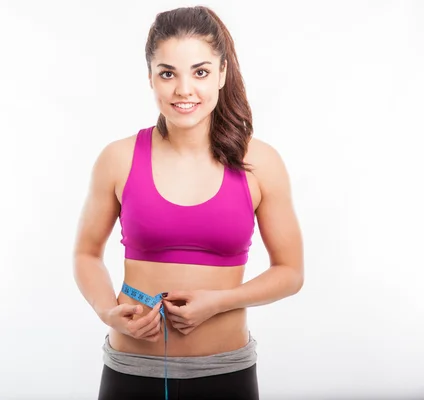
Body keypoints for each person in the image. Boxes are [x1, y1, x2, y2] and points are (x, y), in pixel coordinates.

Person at [73, 5, 304, 400]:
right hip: (132, 368)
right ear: (150, 78)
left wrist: (219, 302)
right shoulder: (118, 158)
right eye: (168, 73)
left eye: (200, 72)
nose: (184, 90)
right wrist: (106, 311)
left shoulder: (259, 162)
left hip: (225, 369)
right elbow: (86, 253)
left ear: (222, 74)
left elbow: (290, 272)